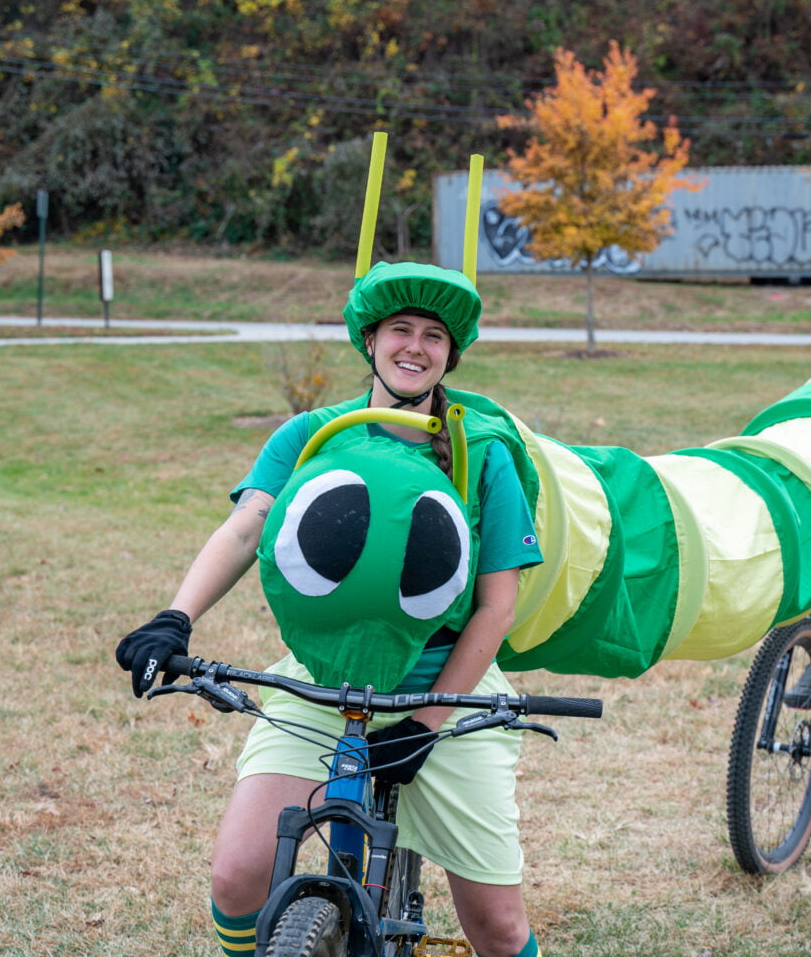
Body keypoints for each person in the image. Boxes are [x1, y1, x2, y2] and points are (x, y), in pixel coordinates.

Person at [115, 260, 546, 957]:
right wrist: (175, 617)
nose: (415, 346)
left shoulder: (483, 453)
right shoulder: (311, 436)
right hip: (325, 679)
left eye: (433, 336)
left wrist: (428, 723)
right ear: (368, 342)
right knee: (236, 876)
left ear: (451, 354)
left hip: (444, 680)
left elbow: (496, 606)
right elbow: (246, 530)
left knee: (496, 929)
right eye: (399, 330)